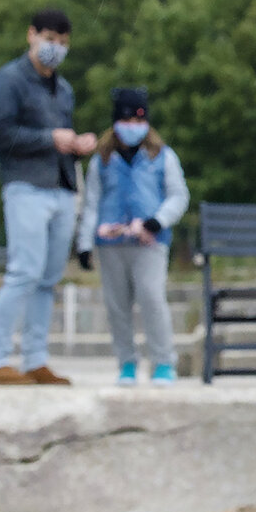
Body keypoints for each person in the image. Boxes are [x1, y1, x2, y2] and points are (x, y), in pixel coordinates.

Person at [0, 10, 95, 385]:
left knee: (48, 279)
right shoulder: (8, 80)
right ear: (31, 35)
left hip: (61, 188)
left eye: (62, 42)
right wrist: (49, 139)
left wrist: (75, 145)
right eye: (48, 38)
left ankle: (35, 358)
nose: (55, 48)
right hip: (26, 187)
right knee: (23, 272)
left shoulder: (64, 89)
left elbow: (59, 137)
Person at [75, 87, 188, 384]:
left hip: (149, 242)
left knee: (152, 298)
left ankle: (163, 362)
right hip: (111, 243)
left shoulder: (163, 156)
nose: (134, 127)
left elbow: (178, 196)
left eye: (140, 121)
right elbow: (91, 203)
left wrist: (156, 222)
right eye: (127, 120)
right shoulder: (102, 159)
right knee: (116, 306)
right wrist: (85, 243)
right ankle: (126, 362)